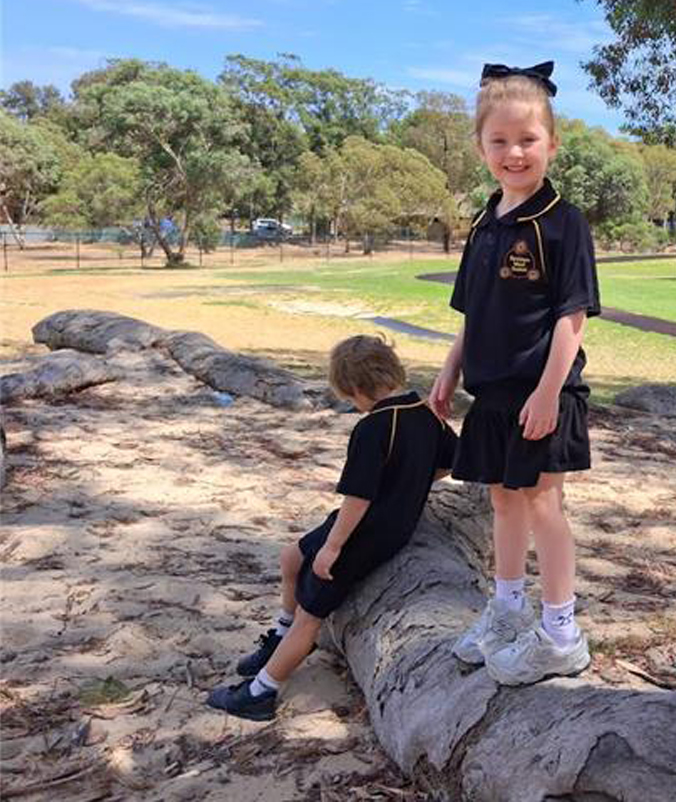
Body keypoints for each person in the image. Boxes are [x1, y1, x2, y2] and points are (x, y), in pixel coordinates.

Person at [430, 61, 600, 686]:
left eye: (527, 140)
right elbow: (473, 311)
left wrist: (551, 391)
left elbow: (572, 315)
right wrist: (448, 372)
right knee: (502, 499)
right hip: (491, 394)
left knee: (542, 501)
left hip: (544, 393)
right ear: (480, 147)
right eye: (499, 141)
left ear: (552, 143)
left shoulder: (564, 223)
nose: (514, 153)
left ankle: (560, 632)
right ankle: (506, 613)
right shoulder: (483, 222)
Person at [207, 335, 457, 720]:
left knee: (311, 614)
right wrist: (411, 480)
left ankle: (260, 693)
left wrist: (333, 547)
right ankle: (279, 635)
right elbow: (448, 462)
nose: (351, 405)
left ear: (354, 388)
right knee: (291, 557)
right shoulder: (424, 410)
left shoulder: (373, 427)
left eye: (349, 398)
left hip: (365, 532)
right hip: (373, 521)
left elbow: (357, 498)